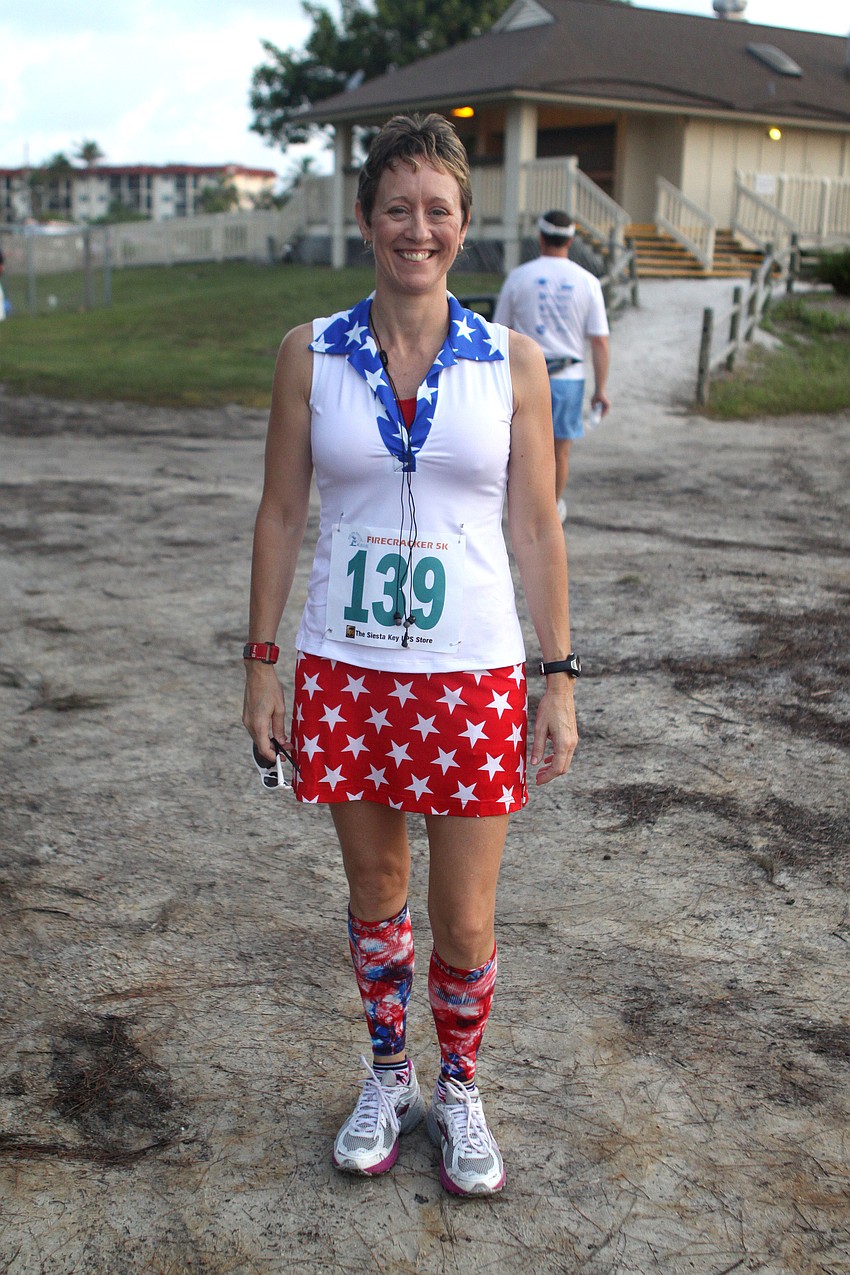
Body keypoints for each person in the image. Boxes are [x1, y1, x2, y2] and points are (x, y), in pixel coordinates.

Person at [242, 114, 579, 1198]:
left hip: (471, 674)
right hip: (346, 669)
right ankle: (389, 1071)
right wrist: (262, 663)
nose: (416, 228)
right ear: (364, 219)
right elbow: (282, 512)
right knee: (377, 891)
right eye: (397, 207)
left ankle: (461, 1086)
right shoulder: (311, 353)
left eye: (438, 209)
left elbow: (536, 529)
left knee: (464, 915)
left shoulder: (511, 362)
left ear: (465, 227)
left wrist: (556, 680)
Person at [494, 210, 610, 522]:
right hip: (568, 378)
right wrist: (600, 390)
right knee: (559, 452)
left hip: (522, 376)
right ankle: (549, 512)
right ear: (571, 240)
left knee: (516, 451)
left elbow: (498, 331)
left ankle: (517, 509)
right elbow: (599, 341)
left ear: (541, 238)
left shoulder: (519, 277)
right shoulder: (588, 282)